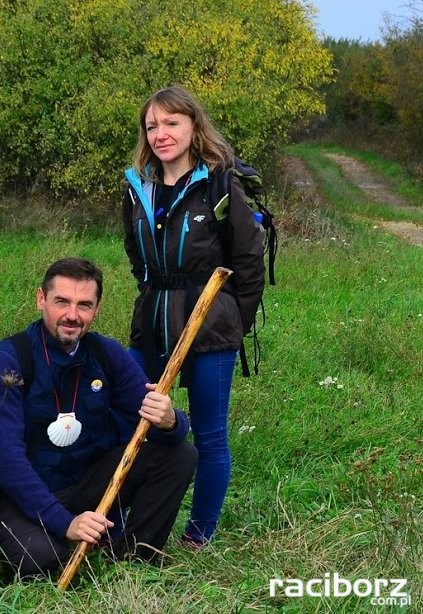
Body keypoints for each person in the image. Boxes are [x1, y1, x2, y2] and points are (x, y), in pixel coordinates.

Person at [0, 257, 198, 577]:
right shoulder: (9, 361)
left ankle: (135, 559)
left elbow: (153, 420)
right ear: (41, 299)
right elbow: (5, 460)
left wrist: (172, 421)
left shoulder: (106, 354)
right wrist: (64, 522)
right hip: (25, 492)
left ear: (96, 308)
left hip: (88, 483)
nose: (72, 315)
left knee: (179, 455)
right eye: (61, 302)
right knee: (41, 561)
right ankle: (55, 533)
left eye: (84, 305)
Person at [121, 85, 265, 548]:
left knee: (208, 434)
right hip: (153, 320)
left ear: (192, 126)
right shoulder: (137, 188)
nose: (162, 133)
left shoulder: (219, 185)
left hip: (210, 324)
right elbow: (135, 256)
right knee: (131, 416)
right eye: (152, 126)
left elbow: (248, 263)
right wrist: (153, 294)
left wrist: (231, 324)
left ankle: (199, 533)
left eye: (171, 123)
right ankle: (124, 519)